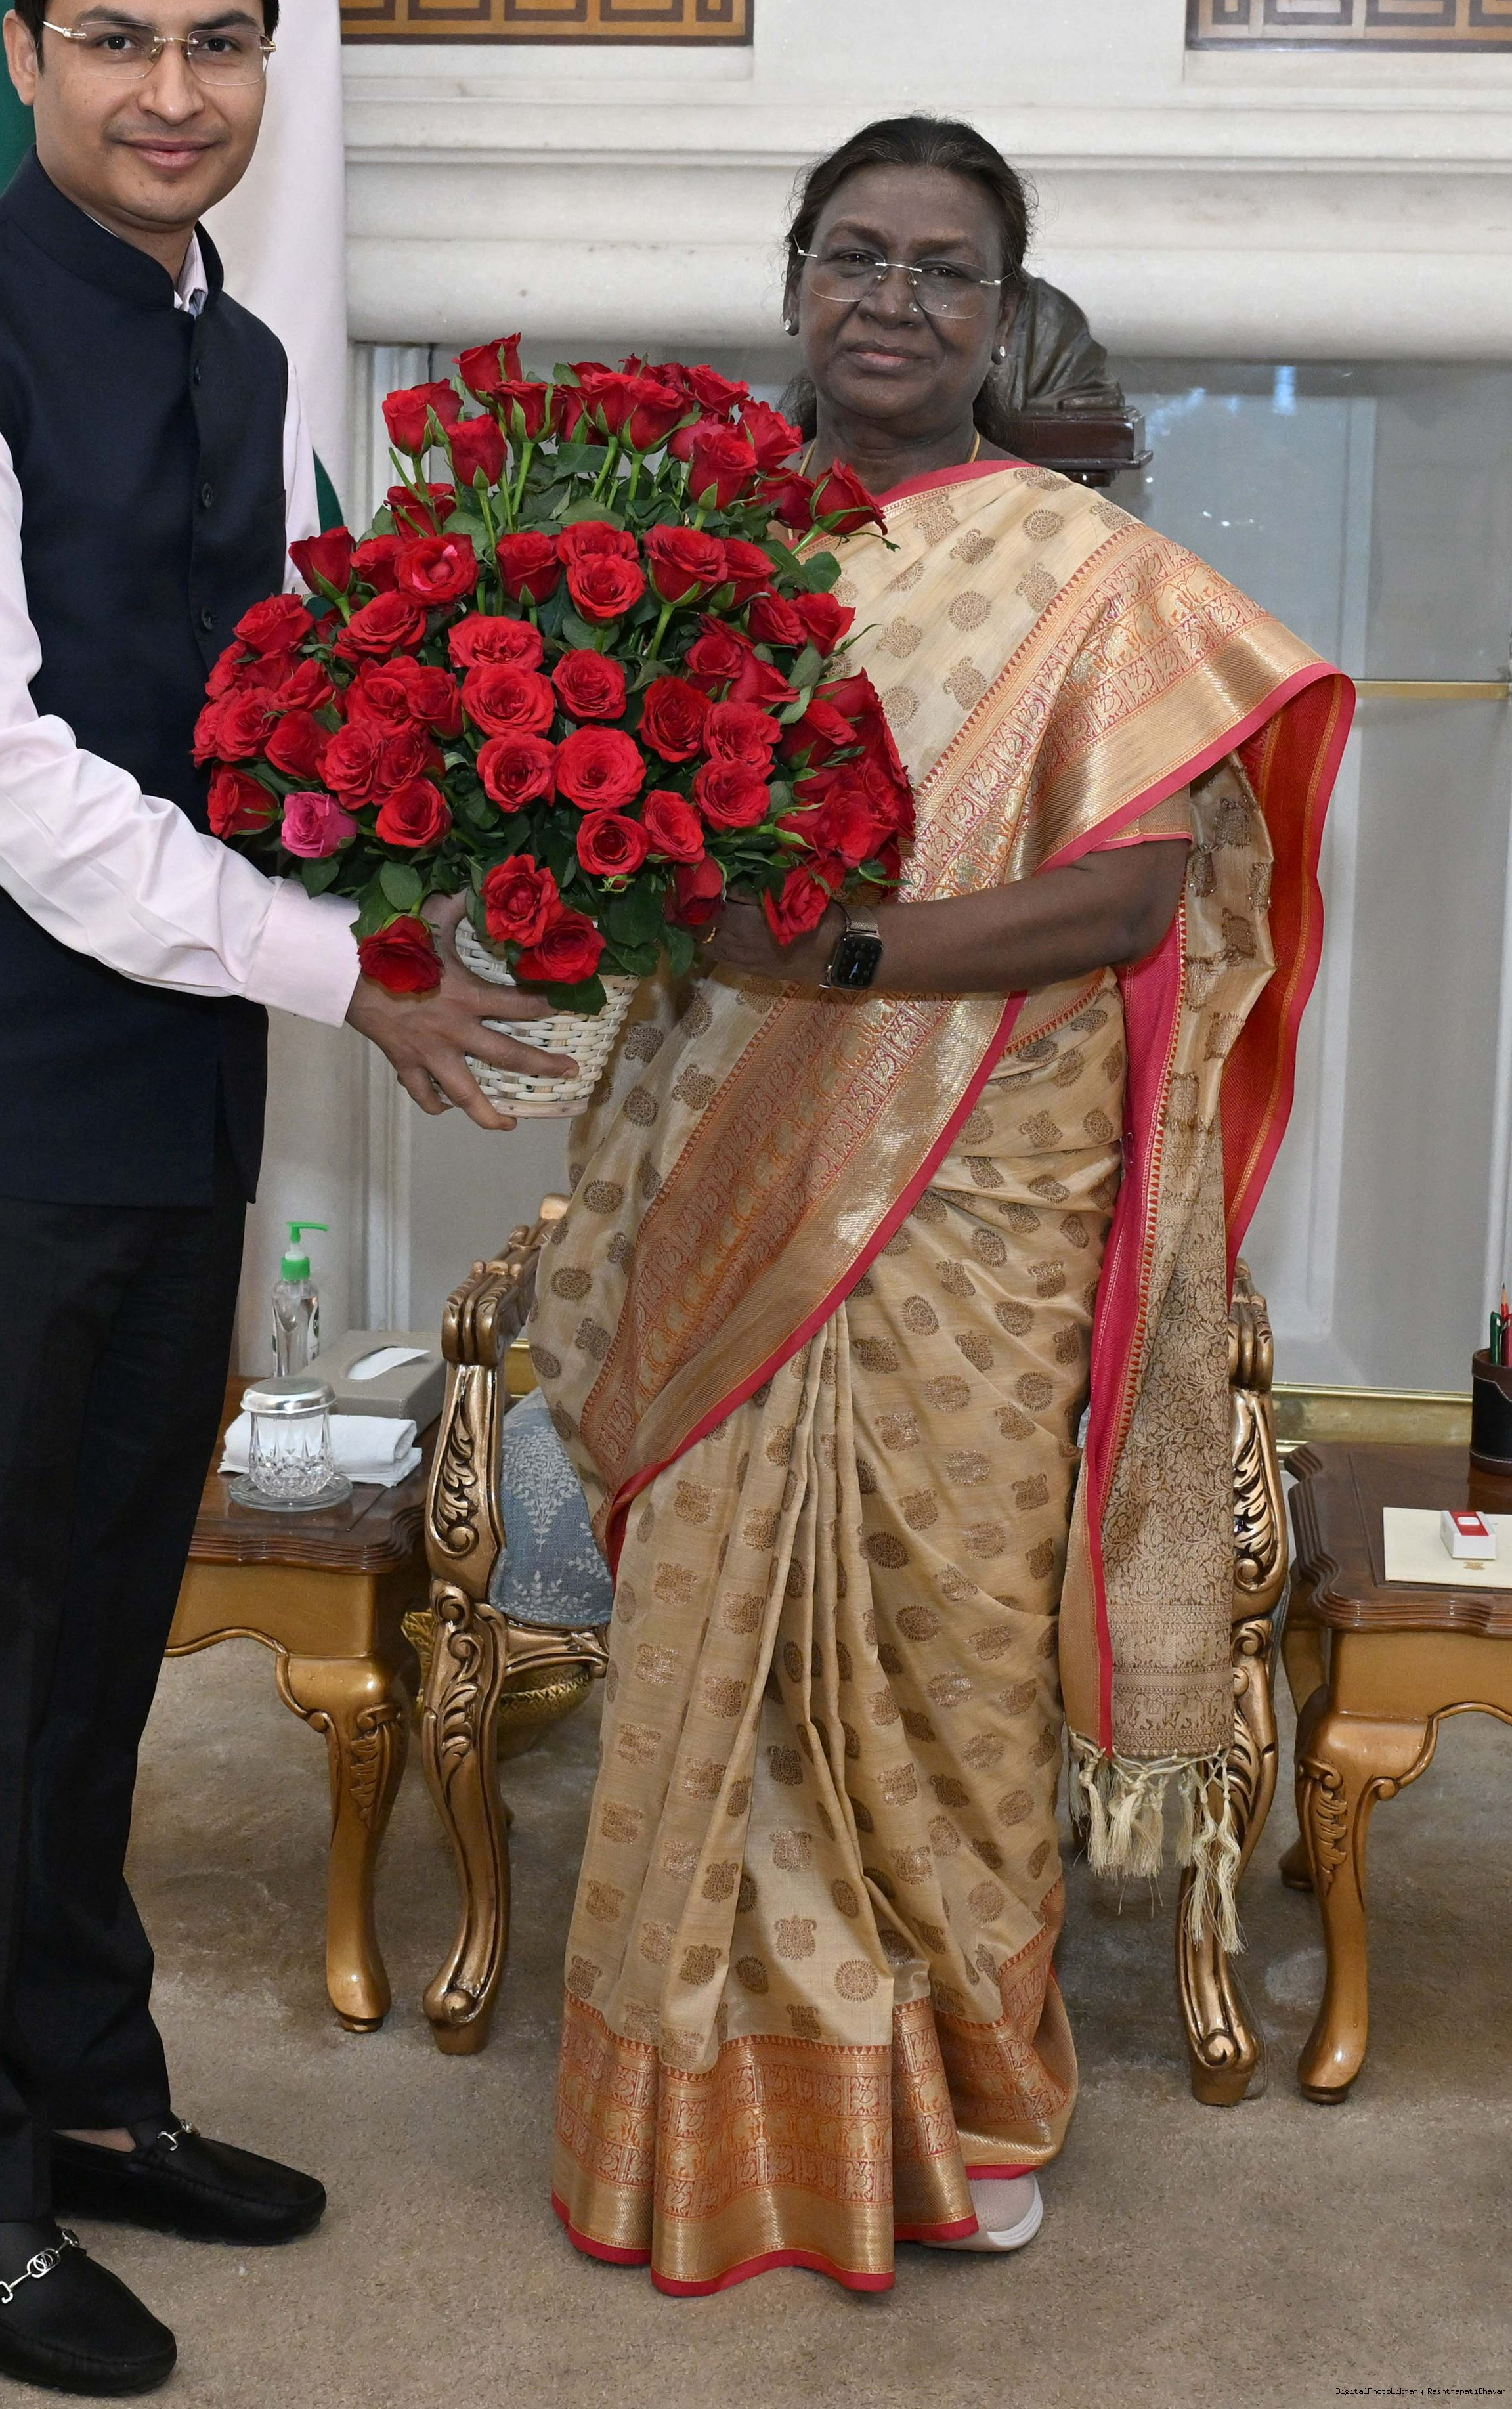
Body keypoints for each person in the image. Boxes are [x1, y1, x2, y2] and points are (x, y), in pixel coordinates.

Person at [0, 0, 568, 2396]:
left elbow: (249, 739)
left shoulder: (237, 354)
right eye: (113, 36)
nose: (170, 89)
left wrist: (471, 849)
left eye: (218, 41)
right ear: (24, 52)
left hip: (161, 1102)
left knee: (105, 1631)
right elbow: (2, 776)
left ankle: (91, 2096)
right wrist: (355, 974)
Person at [528, 114, 1351, 2295]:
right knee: (713, 1626)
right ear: (796, 279)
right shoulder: (688, 557)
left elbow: (1131, 898)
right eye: (854, 255)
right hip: (723, 1147)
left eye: (941, 269)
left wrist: (854, 954)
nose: (890, 299)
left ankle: (962, 2097)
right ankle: (695, 2106)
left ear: (1000, 313)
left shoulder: (1092, 581)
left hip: (971, 1182)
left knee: (939, 1644)